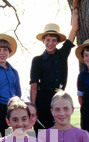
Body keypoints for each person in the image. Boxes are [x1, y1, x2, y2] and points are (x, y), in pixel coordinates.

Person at [30, 2, 79, 131]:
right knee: (42, 132)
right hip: (43, 100)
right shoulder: (37, 60)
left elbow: (74, 30)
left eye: (53, 40)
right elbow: (34, 86)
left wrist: (75, 8)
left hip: (60, 98)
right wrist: (33, 107)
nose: (50, 43)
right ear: (43, 41)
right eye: (48, 40)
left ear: (57, 42)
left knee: (59, 131)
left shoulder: (62, 54)